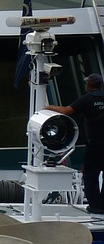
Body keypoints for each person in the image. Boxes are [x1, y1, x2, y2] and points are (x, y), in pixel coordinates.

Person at [45, 73, 104, 214]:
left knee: (90, 175)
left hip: (95, 144)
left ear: (89, 85)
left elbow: (67, 111)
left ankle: (95, 206)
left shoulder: (86, 100)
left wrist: (49, 107)